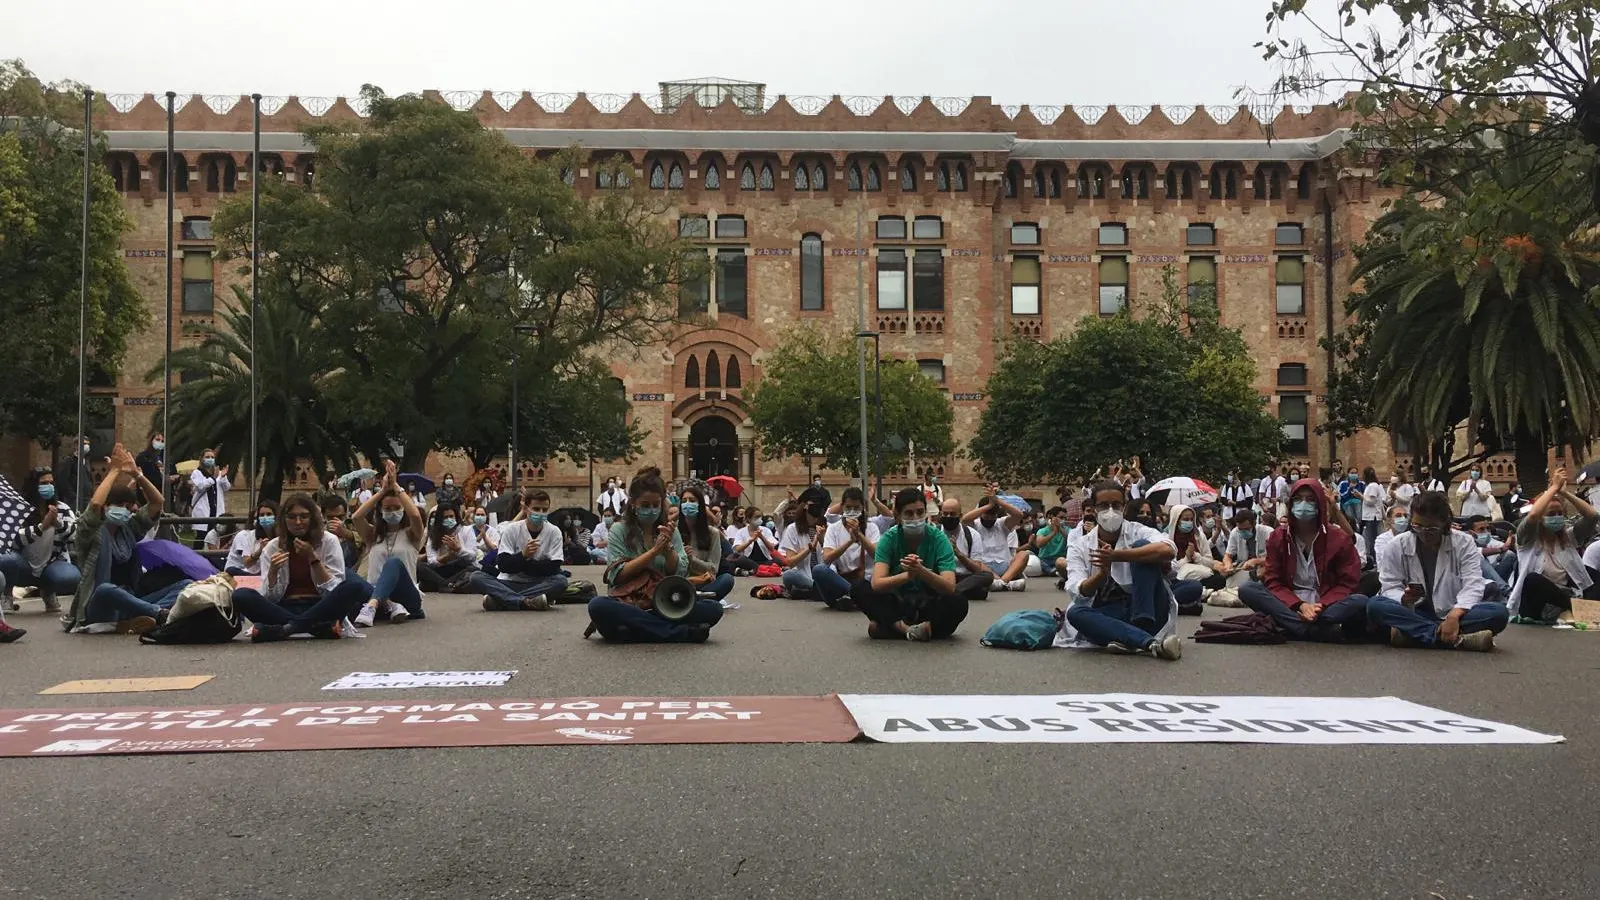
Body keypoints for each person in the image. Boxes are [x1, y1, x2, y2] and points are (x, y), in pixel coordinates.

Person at [587, 467, 722, 643]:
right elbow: (617, 575)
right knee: (598, 606)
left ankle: (635, 631)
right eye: (645, 505)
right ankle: (678, 633)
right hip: (630, 602)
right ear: (633, 503)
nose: (651, 510)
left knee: (713, 609)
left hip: (667, 602)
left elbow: (679, 573)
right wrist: (654, 552)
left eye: (655, 505)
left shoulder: (670, 530)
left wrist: (668, 551)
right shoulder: (619, 530)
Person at [63, 444, 183, 634]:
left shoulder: (129, 530)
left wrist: (137, 474)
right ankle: (160, 615)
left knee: (184, 586)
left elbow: (157, 502)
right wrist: (114, 471)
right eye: (121, 505)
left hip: (131, 601)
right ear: (107, 506)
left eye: (129, 506)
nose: (126, 510)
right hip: (99, 605)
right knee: (106, 589)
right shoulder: (90, 532)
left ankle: (140, 618)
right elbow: (95, 504)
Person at [1368, 491, 1506, 650]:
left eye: (1432, 528)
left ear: (1445, 524)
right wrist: (1404, 598)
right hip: (1415, 612)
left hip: (1454, 612)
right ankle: (1451, 638)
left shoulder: (1464, 543)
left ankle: (1413, 634)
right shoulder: (1396, 545)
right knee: (1375, 605)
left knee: (1499, 613)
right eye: (1417, 526)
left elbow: (1473, 584)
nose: (1424, 533)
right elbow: (1389, 586)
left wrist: (1454, 615)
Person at [1062, 480, 1182, 659]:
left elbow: (1168, 550)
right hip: (1112, 613)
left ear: (1124, 507)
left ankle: (1136, 631)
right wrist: (1100, 576)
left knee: (1143, 547)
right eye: (1103, 505)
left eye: (1116, 505)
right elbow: (1076, 590)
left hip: (1149, 610)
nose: (1110, 510)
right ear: (1094, 509)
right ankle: (1148, 643)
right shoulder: (1080, 545)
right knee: (1075, 613)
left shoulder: (1138, 531)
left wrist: (1118, 556)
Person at [1238, 478, 1369, 642]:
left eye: (1310, 499)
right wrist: (1299, 605)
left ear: (1320, 504)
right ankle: (1310, 630)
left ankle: (1294, 626)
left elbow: (1348, 582)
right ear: (1291, 504)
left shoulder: (1339, 538)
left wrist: (1319, 607)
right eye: (1298, 499)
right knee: (1247, 589)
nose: (1303, 504)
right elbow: (1273, 581)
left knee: (1360, 601)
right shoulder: (1278, 537)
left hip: (1326, 604)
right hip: (1290, 603)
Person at [232, 493, 372, 641]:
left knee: (354, 585)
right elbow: (270, 598)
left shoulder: (329, 541)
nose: (298, 522)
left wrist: (313, 559)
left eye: (304, 517)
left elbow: (334, 589)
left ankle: (287, 629)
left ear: (312, 519)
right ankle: (314, 628)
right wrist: (273, 571)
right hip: (283, 608)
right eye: (292, 517)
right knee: (240, 595)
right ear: (284, 520)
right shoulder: (272, 547)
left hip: (321, 606)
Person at [849, 487, 964, 641]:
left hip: (928, 603)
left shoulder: (939, 539)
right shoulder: (889, 539)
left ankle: (891, 629)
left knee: (958, 601)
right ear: (897, 516)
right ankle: (907, 630)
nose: (916, 518)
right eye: (909, 513)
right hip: (898, 604)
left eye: (920, 512)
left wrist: (922, 572)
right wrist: (908, 575)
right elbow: (877, 583)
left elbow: (949, 585)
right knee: (858, 588)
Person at [1507, 468, 1600, 623]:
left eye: (1559, 514)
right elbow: (1534, 515)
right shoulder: (1527, 539)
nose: (1557, 517)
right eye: (1551, 514)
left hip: (1566, 594)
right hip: (1537, 602)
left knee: (1592, 574)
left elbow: (1592, 516)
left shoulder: (1568, 537)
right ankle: (1580, 609)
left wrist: (1564, 493)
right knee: (1533, 580)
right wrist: (1553, 489)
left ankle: (1576, 610)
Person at [350, 461, 425, 625]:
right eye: (388, 508)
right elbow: (356, 517)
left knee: (393, 563)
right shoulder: (373, 535)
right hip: (373, 591)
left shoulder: (412, 534)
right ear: (381, 511)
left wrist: (396, 486)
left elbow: (415, 516)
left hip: (406, 595)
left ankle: (375, 605)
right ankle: (386, 605)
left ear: (403, 508)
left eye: (396, 508)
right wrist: (382, 491)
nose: (392, 512)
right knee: (348, 575)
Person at [470, 488, 568, 611]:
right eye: (536, 509)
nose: (541, 513)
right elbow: (503, 565)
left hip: (538, 583)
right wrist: (523, 555)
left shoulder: (554, 532)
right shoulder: (512, 530)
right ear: (526, 509)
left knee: (561, 581)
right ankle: (526, 602)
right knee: (476, 577)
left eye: (545, 510)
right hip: (508, 582)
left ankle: (503, 599)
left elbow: (553, 568)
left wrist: (521, 563)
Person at [1, 467, 80, 613]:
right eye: (44, 483)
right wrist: (41, 527)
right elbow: (12, 539)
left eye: (51, 483)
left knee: (71, 577)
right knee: (6, 560)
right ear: (34, 485)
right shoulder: (21, 510)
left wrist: (59, 524)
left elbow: (76, 537)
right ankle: (7, 595)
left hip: (51, 564)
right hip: (23, 564)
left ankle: (48, 591)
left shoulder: (62, 509)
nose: (48, 487)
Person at [811, 487, 879, 610]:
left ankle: (855, 598)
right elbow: (827, 558)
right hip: (839, 582)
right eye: (848, 507)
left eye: (856, 508)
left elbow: (877, 555)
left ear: (862, 508)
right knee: (819, 570)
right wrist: (850, 541)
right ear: (842, 507)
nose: (852, 511)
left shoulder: (872, 527)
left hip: (865, 582)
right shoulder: (833, 528)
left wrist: (860, 535)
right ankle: (853, 596)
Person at [963, 487, 1029, 591]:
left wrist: (997, 501)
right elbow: (964, 519)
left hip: (1005, 567)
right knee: (974, 561)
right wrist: (988, 505)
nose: (989, 519)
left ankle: (1001, 583)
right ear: (981, 513)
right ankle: (1006, 584)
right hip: (984, 568)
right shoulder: (974, 525)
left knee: (1024, 554)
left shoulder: (1002, 524)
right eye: (986, 515)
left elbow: (1018, 515)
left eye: (992, 516)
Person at [677, 486, 734, 602]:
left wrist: (692, 559)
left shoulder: (712, 533)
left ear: (700, 505)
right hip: (679, 583)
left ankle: (693, 599)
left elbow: (713, 569)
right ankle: (697, 600)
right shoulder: (674, 531)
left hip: (702, 583)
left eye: (692, 501)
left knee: (727, 579)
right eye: (684, 501)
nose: (687, 504)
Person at [1166, 505, 1224, 613]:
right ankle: (1198, 596)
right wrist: (1186, 558)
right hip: (1179, 579)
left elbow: (1210, 562)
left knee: (1218, 580)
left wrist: (1196, 556)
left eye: (1191, 519)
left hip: (1200, 576)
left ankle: (1196, 596)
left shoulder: (1198, 536)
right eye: (1185, 519)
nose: (1189, 522)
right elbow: (1170, 569)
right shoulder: (1167, 539)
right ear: (1176, 520)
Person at [938, 498, 995, 602]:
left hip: (965, 578)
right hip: (942, 576)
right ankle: (954, 593)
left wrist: (959, 554)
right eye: (945, 514)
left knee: (987, 576)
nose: (948, 517)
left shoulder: (973, 535)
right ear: (940, 514)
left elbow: (977, 569)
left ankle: (950, 592)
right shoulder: (934, 533)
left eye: (952, 514)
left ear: (960, 516)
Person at [776, 488, 830, 597]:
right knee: (789, 575)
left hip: (821, 574)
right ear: (805, 506)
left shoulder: (826, 527)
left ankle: (813, 592)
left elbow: (830, 560)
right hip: (802, 575)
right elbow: (790, 562)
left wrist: (822, 540)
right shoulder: (793, 529)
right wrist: (808, 550)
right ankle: (817, 590)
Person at [418, 501, 479, 593]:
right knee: (420, 567)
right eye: (445, 517)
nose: (449, 520)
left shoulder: (466, 530)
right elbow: (431, 561)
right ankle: (448, 585)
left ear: (456, 517)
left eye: (451, 516)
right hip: (441, 569)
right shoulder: (434, 534)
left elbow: (473, 557)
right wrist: (446, 557)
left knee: (473, 569)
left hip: (460, 568)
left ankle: (442, 585)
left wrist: (459, 550)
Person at [1219, 507, 1273, 589]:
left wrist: (1257, 561)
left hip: (1265, 567)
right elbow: (1228, 555)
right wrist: (1228, 565)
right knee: (1230, 586)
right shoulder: (1235, 532)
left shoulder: (1268, 532)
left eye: (1246, 529)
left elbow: (1276, 559)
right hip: (1244, 566)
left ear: (1254, 523)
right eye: (1240, 529)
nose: (1243, 532)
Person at [185, 449, 232, 545]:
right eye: (207, 457)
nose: (210, 459)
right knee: (201, 540)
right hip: (203, 512)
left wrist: (222, 477)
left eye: (212, 457)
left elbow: (226, 487)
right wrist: (212, 478)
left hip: (217, 512)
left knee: (215, 540)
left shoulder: (218, 473)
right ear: (201, 459)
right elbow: (200, 486)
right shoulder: (197, 473)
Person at [224, 500, 278, 577]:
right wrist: (259, 551)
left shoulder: (281, 535)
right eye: (262, 515)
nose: (265, 518)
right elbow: (247, 563)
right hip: (252, 573)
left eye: (269, 514)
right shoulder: (249, 536)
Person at [1465, 515, 1515, 591]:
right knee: (1478, 557)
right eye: (1481, 529)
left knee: (1510, 555)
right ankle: (1506, 591)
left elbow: (1506, 547)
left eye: (1488, 528)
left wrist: (1512, 546)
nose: (1486, 532)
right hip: (1476, 584)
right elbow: (1479, 551)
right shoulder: (1465, 545)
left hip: (1495, 580)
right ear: (1471, 533)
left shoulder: (1491, 541)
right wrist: (1501, 549)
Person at [320, 495, 362, 571]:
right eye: (330, 517)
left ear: (345, 514)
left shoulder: (353, 526)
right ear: (323, 516)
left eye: (340, 517)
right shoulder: (318, 532)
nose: (335, 520)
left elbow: (367, 539)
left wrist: (346, 533)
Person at [53, 435, 95, 512]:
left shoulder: (86, 461)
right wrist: (73, 497)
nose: (87, 446)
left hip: (87, 499)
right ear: (76, 445)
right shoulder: (69, 461)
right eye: (84, 444)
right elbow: (63, 481)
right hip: (74, 501)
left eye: (88, 444)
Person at [1030, 507, 1072, 579]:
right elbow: (1039, 544)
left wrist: (1060, 529)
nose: (1063, 520)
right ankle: (1052, 571)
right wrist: (1053, 533)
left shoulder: (1068, 530)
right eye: (1061, 517)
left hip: (1061, 559)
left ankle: (1053, 571)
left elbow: (1072, 541)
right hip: (1045, 560)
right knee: (1030, 554)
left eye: (1065, 518)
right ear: (1052, 517)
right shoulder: (1042, 531)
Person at [1359, 466, 1389, 564]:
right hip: (1373, 516)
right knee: (1372, 538)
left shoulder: (1372, 486)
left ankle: (1374, 559)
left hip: (1372, 516)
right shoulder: (1373, 485)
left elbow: (1371, 501)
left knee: (1372, 539)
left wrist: (1361, 496)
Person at [468, 506, 500, 574]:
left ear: (486, 516)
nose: (480, 517)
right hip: (470, 562)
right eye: (478, 515)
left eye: (482, 515)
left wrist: (484, 537)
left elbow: (494, 549)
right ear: (474, 516)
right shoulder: (467, 530)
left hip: (488, 563)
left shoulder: (493, 531)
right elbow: (465, 548)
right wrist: (476, 540)